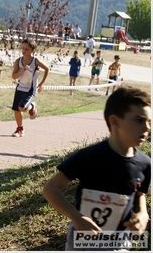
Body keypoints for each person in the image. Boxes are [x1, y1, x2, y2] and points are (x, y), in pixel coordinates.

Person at [43, 86, 151, 251]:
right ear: (115, 121)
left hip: (119, 243)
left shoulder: (145, 164)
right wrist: (76, 217)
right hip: (83, 241)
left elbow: (139, 194)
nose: (147, 127)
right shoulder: (89, 156)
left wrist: (143, 213)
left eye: (149, 122)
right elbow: (51, 188)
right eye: (138, 120)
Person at [11, 38, 50, 137]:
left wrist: (41, 84)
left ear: (33, 51)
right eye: (23, 48)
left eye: (27, 49)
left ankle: (32, 106)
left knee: (22, 108)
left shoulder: (35, 61)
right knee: (16, 110)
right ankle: (20, 129)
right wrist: (22, 70)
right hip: (20, 87)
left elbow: (47, 69)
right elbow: (14, 76)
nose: (24, 51)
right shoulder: (18, 61)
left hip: (30, 89)